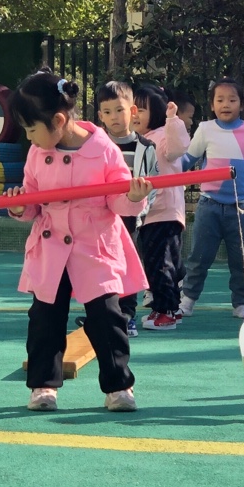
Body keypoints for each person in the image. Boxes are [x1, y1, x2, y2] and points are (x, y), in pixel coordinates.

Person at [7, 71, 151, 412]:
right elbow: (33, 200)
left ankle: (119, 386)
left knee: (107, 318)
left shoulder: (104, 149)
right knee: (44, 319)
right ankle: (43, 385)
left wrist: (132, 196)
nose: (29, 138)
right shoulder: (36, 154)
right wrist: (19, 206)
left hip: (94, 245)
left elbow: (117, 200)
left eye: (31, 129)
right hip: (51, 246)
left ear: (58, 121)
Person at [178, 78, 244, 318]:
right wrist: (168, 172)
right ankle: (187, 300)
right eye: (220, 100)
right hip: (208, 205)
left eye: (232, 100)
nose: (226, 104)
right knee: (199, 257)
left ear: (241, 105)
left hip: (242, 208)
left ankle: (241, 303)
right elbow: (188, 158)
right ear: (212, 105)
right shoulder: (205, 129)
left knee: (241, 259)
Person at [97, 80, 158, 337]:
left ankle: (127, 314)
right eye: (107, 112)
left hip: (130, 216)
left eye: (119, 110)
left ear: (132, 111)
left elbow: (153, 183)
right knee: (101, 265)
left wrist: (140, 208)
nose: (114, 117)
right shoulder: (96, 145)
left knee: (125, 264)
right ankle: (103, 312)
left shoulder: (146, 147)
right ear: (100, 116)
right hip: (100, 216)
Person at [132, 86, 191, 331]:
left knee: (160, 263)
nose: (135, 114)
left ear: (155, 112)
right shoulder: (137, 140)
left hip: (164, 211)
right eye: (132, 109)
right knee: (158, 262)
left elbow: (179, 148)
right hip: (148, 213)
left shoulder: (162, 135)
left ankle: (165, 311)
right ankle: (169, 308)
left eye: (141, 109)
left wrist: (172, 119)